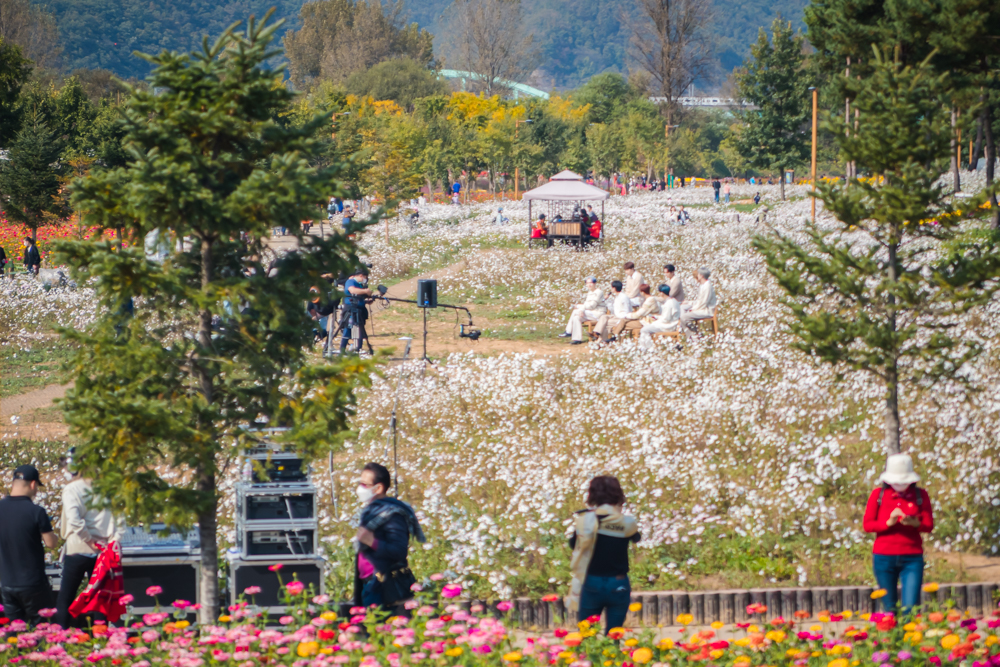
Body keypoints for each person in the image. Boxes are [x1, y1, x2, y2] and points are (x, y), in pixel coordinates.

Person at [56, 451, 121, 630]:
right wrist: (113, 542)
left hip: (78, 547)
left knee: (66, 597)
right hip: (103, 551)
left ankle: (59, 639)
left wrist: (88, 538)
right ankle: (101, 640)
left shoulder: (72, 489)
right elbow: (118, 520)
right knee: (100, 597)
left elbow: (75, 519)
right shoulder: (105, 488)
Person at [567, 476, 639, 634]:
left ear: (592, 495)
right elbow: (636, 538)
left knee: (587, 635)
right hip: (619, 583)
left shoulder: (586, 520)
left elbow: (573, 545)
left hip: (592, 581)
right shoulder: (627, 523)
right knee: (614, 636)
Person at [863, 454, 933, 614]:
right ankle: (892, 638)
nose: (900, 485)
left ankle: (909, 637)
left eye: (904, 481)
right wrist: (888, 523)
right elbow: (868, 525)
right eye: (896, 482)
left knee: (910, 609)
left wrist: (916, 523)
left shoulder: (920, 495)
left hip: (912, 557)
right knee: (889, 610)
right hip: (884, 557)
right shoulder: (878, 495)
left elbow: (929, 525)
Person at [354, 462, 425, 611]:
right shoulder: (372, 512)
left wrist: (372, 541)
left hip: (382, 584)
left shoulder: (393, 515)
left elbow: (398, 551)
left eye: (365, 485)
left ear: (378, 488)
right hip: (368, 582)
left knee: (378, 629)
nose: (360, 488)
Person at [0, 465, 58, 625]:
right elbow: (51, 543)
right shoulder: (36, 511)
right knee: (44, 629)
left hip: (7, 583)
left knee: (14, 631)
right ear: (33, 484)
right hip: (33, 583)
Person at [559, 277, 606, 345]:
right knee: (576, 318)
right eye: (587, 283)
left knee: (575, 311)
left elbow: (592, 306)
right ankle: (577, 339)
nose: (589, 285)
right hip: (590, 313)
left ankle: (568, 331)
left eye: (591, 283)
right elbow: (586, 304)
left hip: (598, 314)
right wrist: (581, 309)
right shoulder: (590, 292)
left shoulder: (598, 292)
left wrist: (579, 307)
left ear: (595, 283)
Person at [340, 267, 373, 354]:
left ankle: (358, 348)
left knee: (360, 330)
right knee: (348, 328)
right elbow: (352, 290)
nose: (366, 279)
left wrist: (366, 301)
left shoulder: (360, 284)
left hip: (359, 310)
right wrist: (365, 291)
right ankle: (342, 350)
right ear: (361, 275)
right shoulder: (350, 281)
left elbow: (358, 297)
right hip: (350, 309)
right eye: (365, 277)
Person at [639, 285, 681, 349]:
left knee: (644, 329)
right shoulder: (674, 300)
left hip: (668, 326)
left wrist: (656, 320)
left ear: (661, 293)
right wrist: (657, 317)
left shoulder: (669, 303)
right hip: (671, 323)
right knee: (648, 325)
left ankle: (647, 347)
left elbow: (666, 319)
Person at [680, 267, 717, 334]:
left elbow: (703, 303)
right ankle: (690, 332)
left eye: (698, 274)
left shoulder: (707, 286)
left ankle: (693, 336)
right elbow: (699, 301)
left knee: (683, 317)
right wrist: (689, 302)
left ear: (701, 276)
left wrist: (693, 309)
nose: (697, 276)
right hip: (701, 308)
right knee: (682, 308)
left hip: (706, 311)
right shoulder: (703, 285)